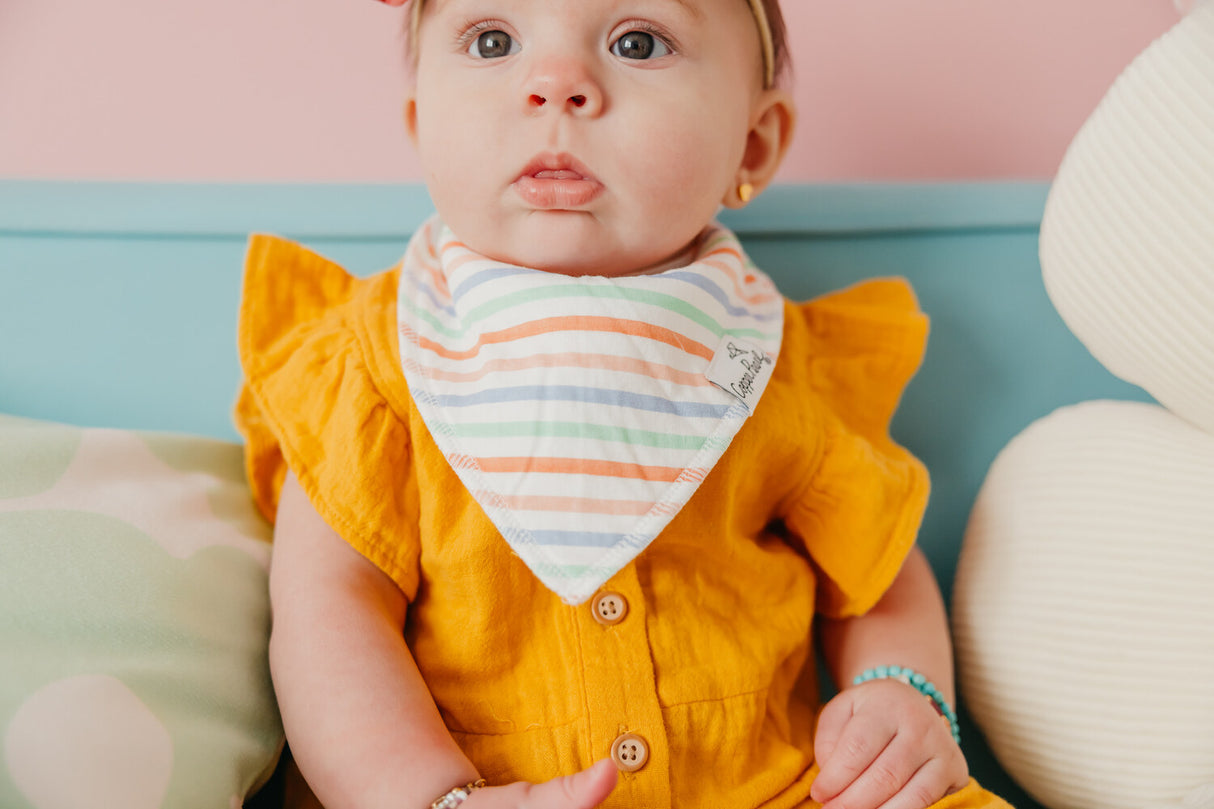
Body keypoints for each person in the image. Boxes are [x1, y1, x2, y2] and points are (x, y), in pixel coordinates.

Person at [235, 1, 1013, 807]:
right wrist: (426, 796)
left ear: (754, 142)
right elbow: (326, 613)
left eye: (638, 41)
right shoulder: (375, 362)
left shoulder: (769, 359)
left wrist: (902, 692)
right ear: (420, 121)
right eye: (493, 40)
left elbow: (878, 575)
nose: (555, 84)